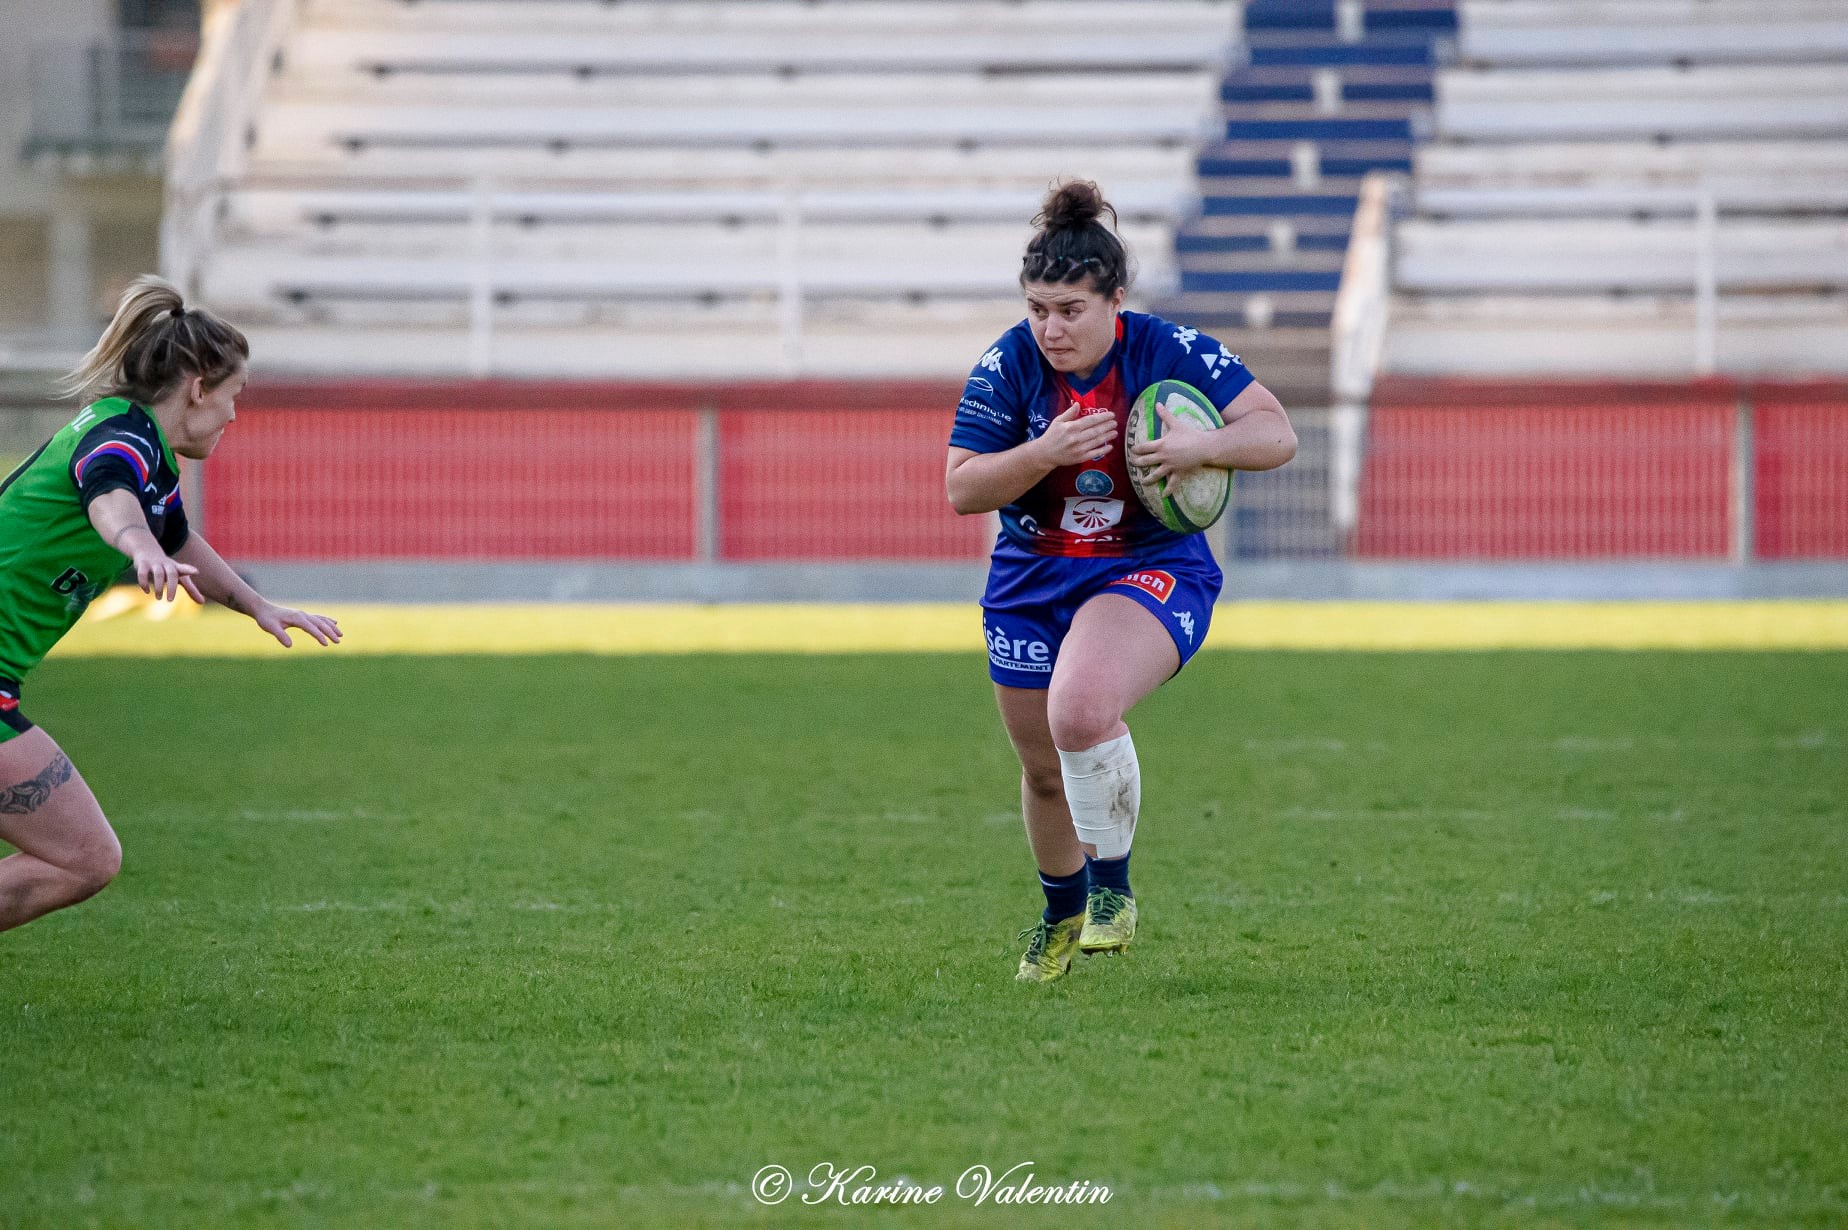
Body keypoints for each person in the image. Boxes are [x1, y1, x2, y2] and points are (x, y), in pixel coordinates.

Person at [945, 181, 1296, 982]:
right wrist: (1044, 453)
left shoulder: (1166, 349)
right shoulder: (1008, 364)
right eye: (1038, 308)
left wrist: (1199, 449)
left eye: (1070, 309)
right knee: (1041, 768)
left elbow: (1275, 433)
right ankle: (1061, 912)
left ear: (1116, 301)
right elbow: (963, 487)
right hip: (1032, 574)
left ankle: (1113, 894)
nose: (1051, 327)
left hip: (1146, 566)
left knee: (1081, 709)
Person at [0, 275, 342, 934]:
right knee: (84, 858)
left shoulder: (149, 452)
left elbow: (176, 534)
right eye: (235, 394)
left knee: (83, 858)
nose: (236, 414)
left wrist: (255, 605)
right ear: (200, 387)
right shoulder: (118, 440)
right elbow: (110, 497)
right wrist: (136, 547)